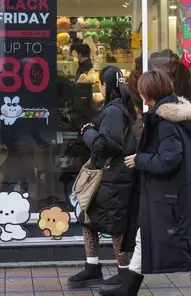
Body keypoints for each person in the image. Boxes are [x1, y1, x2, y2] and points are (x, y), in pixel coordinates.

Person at [104, 69, 191, 296]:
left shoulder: (165, 121)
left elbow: (169, 160)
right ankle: (128, 289)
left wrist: (140, 159)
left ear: (146, 93)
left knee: (185, 248)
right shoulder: (173, 115)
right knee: (152, 239)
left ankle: (129, 289)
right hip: (172, 195)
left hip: (169, 197)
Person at [68, 66, 138, 290]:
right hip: (108, 177)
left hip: (113, 178)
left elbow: (107, 144)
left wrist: (87, 130)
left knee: (115, 226)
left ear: (104, 85)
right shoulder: (116, 108)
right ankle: (92, 267)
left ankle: (124, 272)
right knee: (89, 220)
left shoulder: (114, 111)